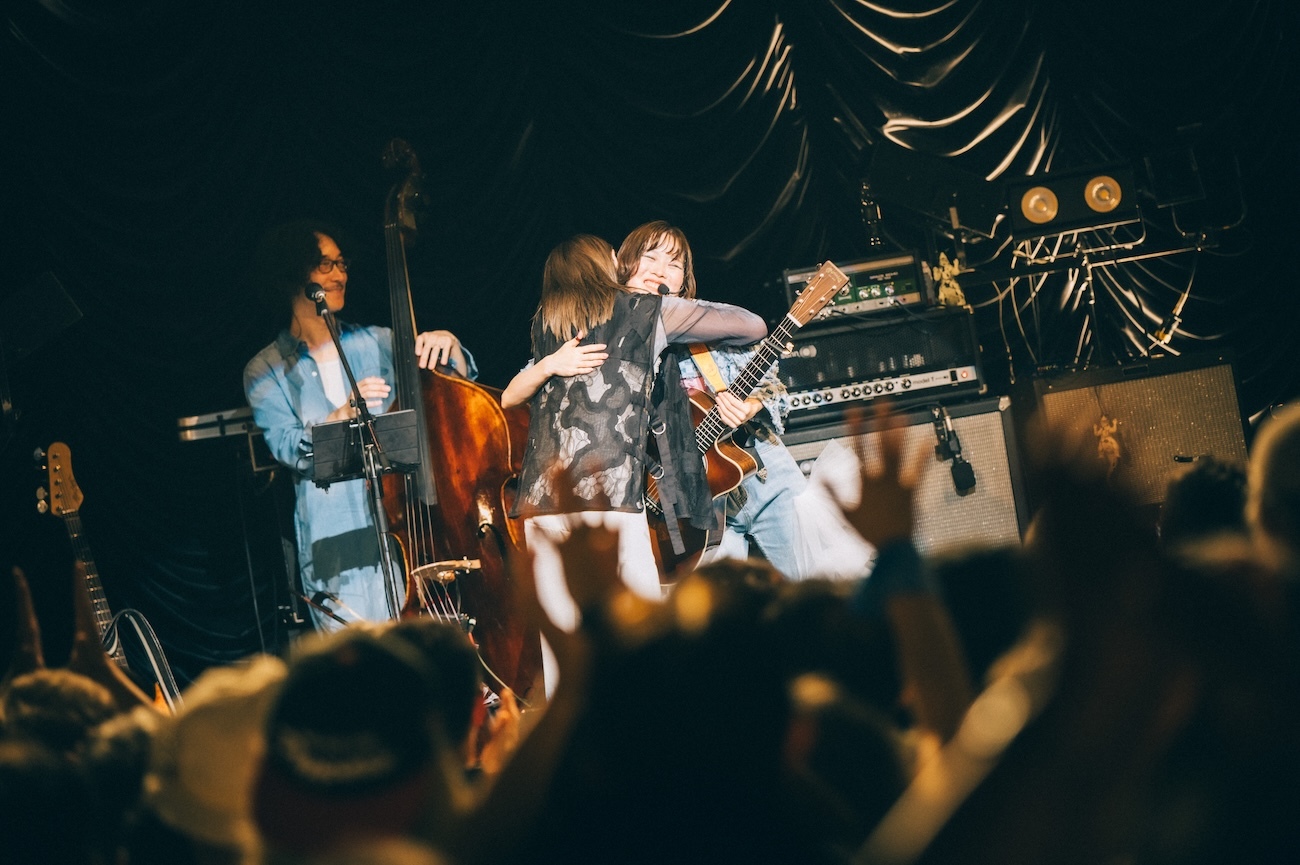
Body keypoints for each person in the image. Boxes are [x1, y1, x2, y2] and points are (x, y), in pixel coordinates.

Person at [502, 233, 766, 693]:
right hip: (608, 497)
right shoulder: (647, 311)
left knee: (563, 646)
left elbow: (509, 398)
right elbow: (753, 326)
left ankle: (575, 732)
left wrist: (546, 366)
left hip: (542, 504)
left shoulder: (549, 322)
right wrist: (678, 303)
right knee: (642, 633)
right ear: (607, 263)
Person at [244, 219, 476, 630]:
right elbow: (288, 448)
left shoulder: (379, 342)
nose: (340, 275)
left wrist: (450, 348)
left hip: (403, 530)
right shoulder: (265, 370)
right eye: (325, 265)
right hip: (337, 545)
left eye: (342, 264)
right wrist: (340, 416)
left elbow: (453, 394)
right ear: (292, 275)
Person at [615, 220, 812, 579]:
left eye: (674, 264)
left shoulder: (714, 328)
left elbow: (775, 388)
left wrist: (751, 406)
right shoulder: (610, 337)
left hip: (760, 468)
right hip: (694, 506)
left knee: (815, 583)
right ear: (623, 263)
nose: (660, 270)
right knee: (721, 605)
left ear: (683, 280)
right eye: (650, 257)